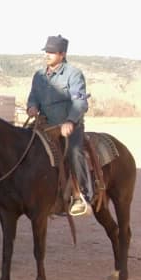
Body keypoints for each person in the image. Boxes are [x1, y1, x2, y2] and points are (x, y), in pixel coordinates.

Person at [27, 35, 93, 216]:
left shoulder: (74, 74)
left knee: (75, 152)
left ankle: (82, 195)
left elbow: (80, 103)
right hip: (45, 126)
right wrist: (32, 106)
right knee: (22, 146)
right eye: (46, 51)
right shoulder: (39, 76)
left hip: (70, 125)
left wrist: (70, 121)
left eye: (52, 52)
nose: (47, 55)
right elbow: (33, 96)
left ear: (62, 54)